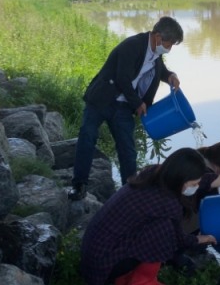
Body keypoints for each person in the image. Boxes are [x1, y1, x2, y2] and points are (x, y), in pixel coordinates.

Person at [68, 16, 184, 201]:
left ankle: (130, 192)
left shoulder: (155, 54)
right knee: (87, 137)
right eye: (168, 44)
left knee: (128, 150)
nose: (168, 49)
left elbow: (160, 70)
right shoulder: (133, 45)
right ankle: (78, 185)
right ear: (156, 36)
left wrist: (170, 76)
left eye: (171, 46)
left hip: (123, 106)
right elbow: (122, 77)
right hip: (101, 99)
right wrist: (138, 103)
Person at [79, 148, 217, 285]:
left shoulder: (153, 174)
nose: (196, 187)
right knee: (164, 229)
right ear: (182, 178)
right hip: (103, 267)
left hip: (94, 256)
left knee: (148, 225)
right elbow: (179, 240)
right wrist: (202, 239)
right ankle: (142, 283)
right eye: (194, 183)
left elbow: (201, 181)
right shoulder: (169, 202)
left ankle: (125, 279)